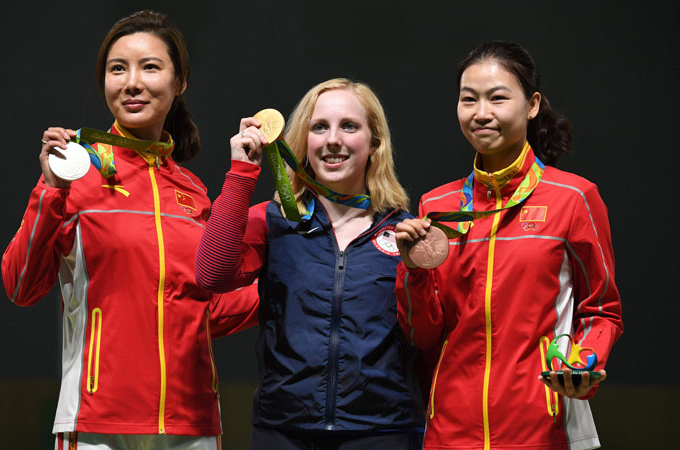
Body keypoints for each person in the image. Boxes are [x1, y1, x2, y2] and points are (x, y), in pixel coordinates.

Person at [1, 10, 257, 450]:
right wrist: (50, 191)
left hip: (191, 423)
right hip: (98, 421)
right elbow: (21, 285)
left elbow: (205, 309)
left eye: (150, 67)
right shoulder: (75, 174)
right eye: (117, 69)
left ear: (180, 83)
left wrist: (283, 284)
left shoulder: (193, 191)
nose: (132, 82)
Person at [394, 41, 623, 450]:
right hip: (449, 430)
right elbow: (423, 335)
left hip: (540, 428)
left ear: (532, 104)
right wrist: (412, 271)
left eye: (497, 98)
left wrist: (582, 363)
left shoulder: (573, 198)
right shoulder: (437, 206)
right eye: (469, 100)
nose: (481, 113)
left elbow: (602, 310)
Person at [196, 78, 425, 449]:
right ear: (302, 144)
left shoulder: (404, 234)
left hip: (385, 433)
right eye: (320, 127)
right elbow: (213, 274)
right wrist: (241, 173)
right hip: (284, 433)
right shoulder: (275, 222)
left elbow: (426, 335)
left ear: (374, 143)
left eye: (349, 126)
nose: (333, 139)